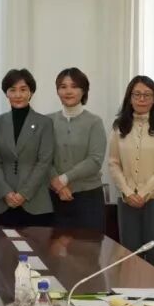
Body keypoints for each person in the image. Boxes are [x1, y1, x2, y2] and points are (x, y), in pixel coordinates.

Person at [107, 76, 154, 265]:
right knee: (130, 257)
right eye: (137, 94)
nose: (142, 99)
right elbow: (113, 163)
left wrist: (144, 193)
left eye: (147, 95)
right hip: (127, 199)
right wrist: (128, 192)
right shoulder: (119, 126)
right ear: (129, 98)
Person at [0, 69, 55, 226]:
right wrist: (6, 192)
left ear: (31, 92)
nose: (18, 95)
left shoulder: (44, 123)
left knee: (37, 242)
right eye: (12, 90)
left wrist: (24, 194)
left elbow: (44, 162)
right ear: (6, 93)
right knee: (1, 242)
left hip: (35, 202)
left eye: (23, 90)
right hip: (3, 202)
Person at [48, 68, 107, 230]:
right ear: (57, 91)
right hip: (53, 197)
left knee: (88, 245)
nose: (68, 91)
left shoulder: (94, 122)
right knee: (52, 244)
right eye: (63, 86)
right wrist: (57, 184)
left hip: (88, 197)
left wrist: (64, 179)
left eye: (74, 86)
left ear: (84, 90)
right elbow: (43, 157)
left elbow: (95, 160)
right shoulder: (47, 121)